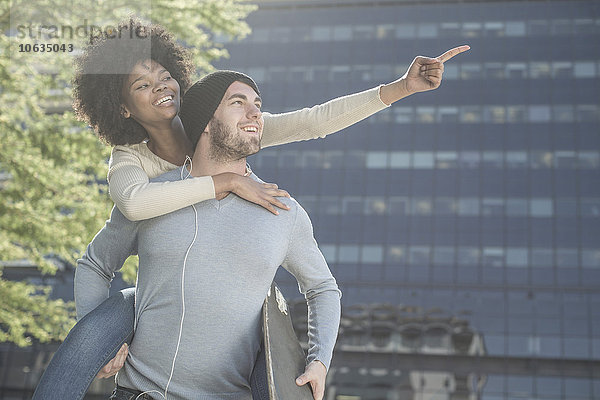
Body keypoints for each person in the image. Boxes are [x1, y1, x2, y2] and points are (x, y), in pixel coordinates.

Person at [32, 17, 469, 399]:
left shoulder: (279, 204)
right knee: (127, 302)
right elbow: (118, 224)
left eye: (163, 77)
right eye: (141, 86)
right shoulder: (136, 165)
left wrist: (401, 87)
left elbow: (315, 121)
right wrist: (100, 341)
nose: (254, 113)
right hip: (138, 392)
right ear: (123, 108)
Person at [79, 70, 342, 400]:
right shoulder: (155, 195)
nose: (256, 113)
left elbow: (322, 287)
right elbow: (95, 263)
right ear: (204, 121)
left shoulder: (283, 211)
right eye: (238, 102)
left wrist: (319, 361)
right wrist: (95, 340)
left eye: (257, 104)